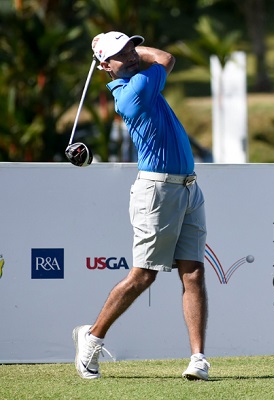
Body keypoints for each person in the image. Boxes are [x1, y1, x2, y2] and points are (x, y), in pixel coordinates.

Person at [72, 31, 210, 381]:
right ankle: (92, 338)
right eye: (120, 54)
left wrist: (126, 51)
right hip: (157, 192)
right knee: (142, 276)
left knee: (193, 272)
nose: (132, 56)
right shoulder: (133, 92)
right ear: (105, 66)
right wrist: (137, 54)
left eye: (132, 48)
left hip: (188, 188)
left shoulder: (135, 76)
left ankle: (198, 359)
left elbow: (152, 58)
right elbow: (165, 57)